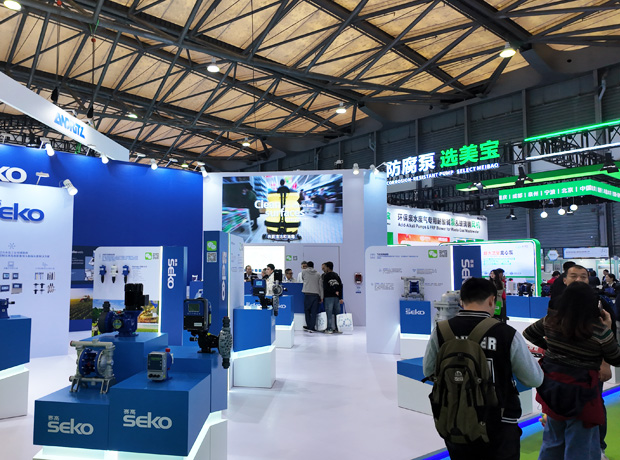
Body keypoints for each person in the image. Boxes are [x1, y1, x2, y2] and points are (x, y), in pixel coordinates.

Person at [423, 277, 543, 460]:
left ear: (461, 301)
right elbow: (534, 378)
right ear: (492, 300)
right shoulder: (505, 333)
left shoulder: (441, 331)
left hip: (455, 420)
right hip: (500, 423)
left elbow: (428, 371)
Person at [523, 281, 620, 460]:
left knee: (552, 441)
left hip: (553, 389)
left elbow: (528, 333)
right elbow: (616, 358)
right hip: (583, 393)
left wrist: (551, 349)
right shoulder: (599, 331)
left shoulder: (551, 321)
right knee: (580, 445)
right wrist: (608, 328)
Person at [544, 264, 617, 459]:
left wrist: (605, 364)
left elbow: (609, 338)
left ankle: (599, 446)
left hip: (589, 370)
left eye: (583, 276)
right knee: (556, 414)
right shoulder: (556, 303)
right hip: (559, 371)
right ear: (564, 280)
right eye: (573, 276)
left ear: (589, 280)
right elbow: (543, 330)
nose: (578, 280)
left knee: (592, 409)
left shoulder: (599, 303)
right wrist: (552, 350)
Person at [321, 261, 343, 334]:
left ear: (328, 267)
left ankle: (329, 328)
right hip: (336, 298)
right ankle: (338, 328)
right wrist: (340, 297)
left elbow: (325, 287)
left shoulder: (326, 276)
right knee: (337, 313)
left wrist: (333, 292)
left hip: (328, 297)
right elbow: (340, 286)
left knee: (329, 313)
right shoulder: (336, 275)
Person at [301, 261, 322, 333]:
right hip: (315, 294)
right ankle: (312, 327)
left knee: (307, 311)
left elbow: (303, 279)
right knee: (314, 312)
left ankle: (308, 325)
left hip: (307, 294)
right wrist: (321, 296)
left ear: (307, 266)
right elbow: (320, 285)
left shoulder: (304, 272)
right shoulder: (318, 274)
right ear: (313, 266)